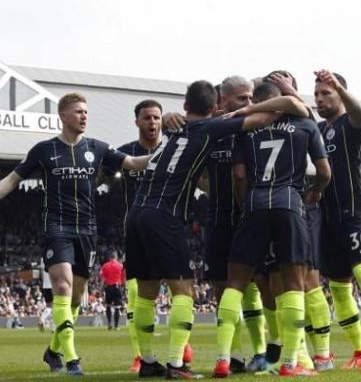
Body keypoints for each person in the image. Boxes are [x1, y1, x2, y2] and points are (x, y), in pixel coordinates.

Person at [126, 80, 309, 379]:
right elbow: (275, 114)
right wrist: (286, 98)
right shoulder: (214, 127)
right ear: (216, 106)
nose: (246, 101)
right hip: (171, 214)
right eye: (241, 98)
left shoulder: (174, 129)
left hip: (137, 212)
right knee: (185, 291)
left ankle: (148, 360)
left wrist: (176, 115)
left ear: (186, 106)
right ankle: (176, 364)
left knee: (147, 291)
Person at [0, 92, 149, 376]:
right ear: (63, 115)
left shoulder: (97, 148)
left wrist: (163, 156)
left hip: (87, 230)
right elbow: (12, 179)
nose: (84, 116)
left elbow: (132, 162)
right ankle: (72, 359)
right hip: (56, 227)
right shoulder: (44, 150)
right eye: (78, 111)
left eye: (86, 112)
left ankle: (53, 350)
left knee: (77, 298)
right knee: (63, 287)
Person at [215, 81, 330, 378]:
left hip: (254, 203)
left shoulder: (247, 129)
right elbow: (325, 172)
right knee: (294, 283)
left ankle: (223, 359)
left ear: (261, 102)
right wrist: (315, 190)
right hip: (289, 204)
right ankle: (291, 363)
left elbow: (239, 176)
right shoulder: (305, 124)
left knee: (237, 281)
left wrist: (245, 205)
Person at [313, 69, 361, 371]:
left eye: (327, 93)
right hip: (328, 217)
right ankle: (360, 351)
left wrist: (342, 90)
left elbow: (358, 111)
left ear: (341, 94)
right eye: (317, 94)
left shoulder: (352, 123)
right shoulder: (318, 129)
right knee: (338, 287)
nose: (320, 99)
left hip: (356, 213)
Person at [201, 76, 267, 374]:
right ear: (222, 101)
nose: (249, 104)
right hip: (217, 222)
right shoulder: (209, 132)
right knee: (220, 291)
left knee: (254, 288)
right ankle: (234, 355)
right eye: (242, 99)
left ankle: (262, 351)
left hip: (249, 220)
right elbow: (197, 175)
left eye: (251, 98)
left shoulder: (253, 129)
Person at [113, 99, 165, 372]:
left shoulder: (172, 150)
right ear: (137, 121)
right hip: (136, 233)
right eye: (147, 118)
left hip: (170, 229)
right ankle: (140, 354)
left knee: (183, 291)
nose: (152, 123)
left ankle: (183, 345)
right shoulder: (124, 154)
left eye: (156, 117)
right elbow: (97, 177)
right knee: (137, 294)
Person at [100, 251, 124, 331]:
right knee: (117, 307)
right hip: (117, 287)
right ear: (116, 257)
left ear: (110, 257)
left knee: (108, 306)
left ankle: (109, 323)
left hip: (109, 288)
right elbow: (123, 278)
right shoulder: (120, 266)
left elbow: (103, 280)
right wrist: (125, 288)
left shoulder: (105, 266)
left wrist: (101, 289)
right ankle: (116, 326)